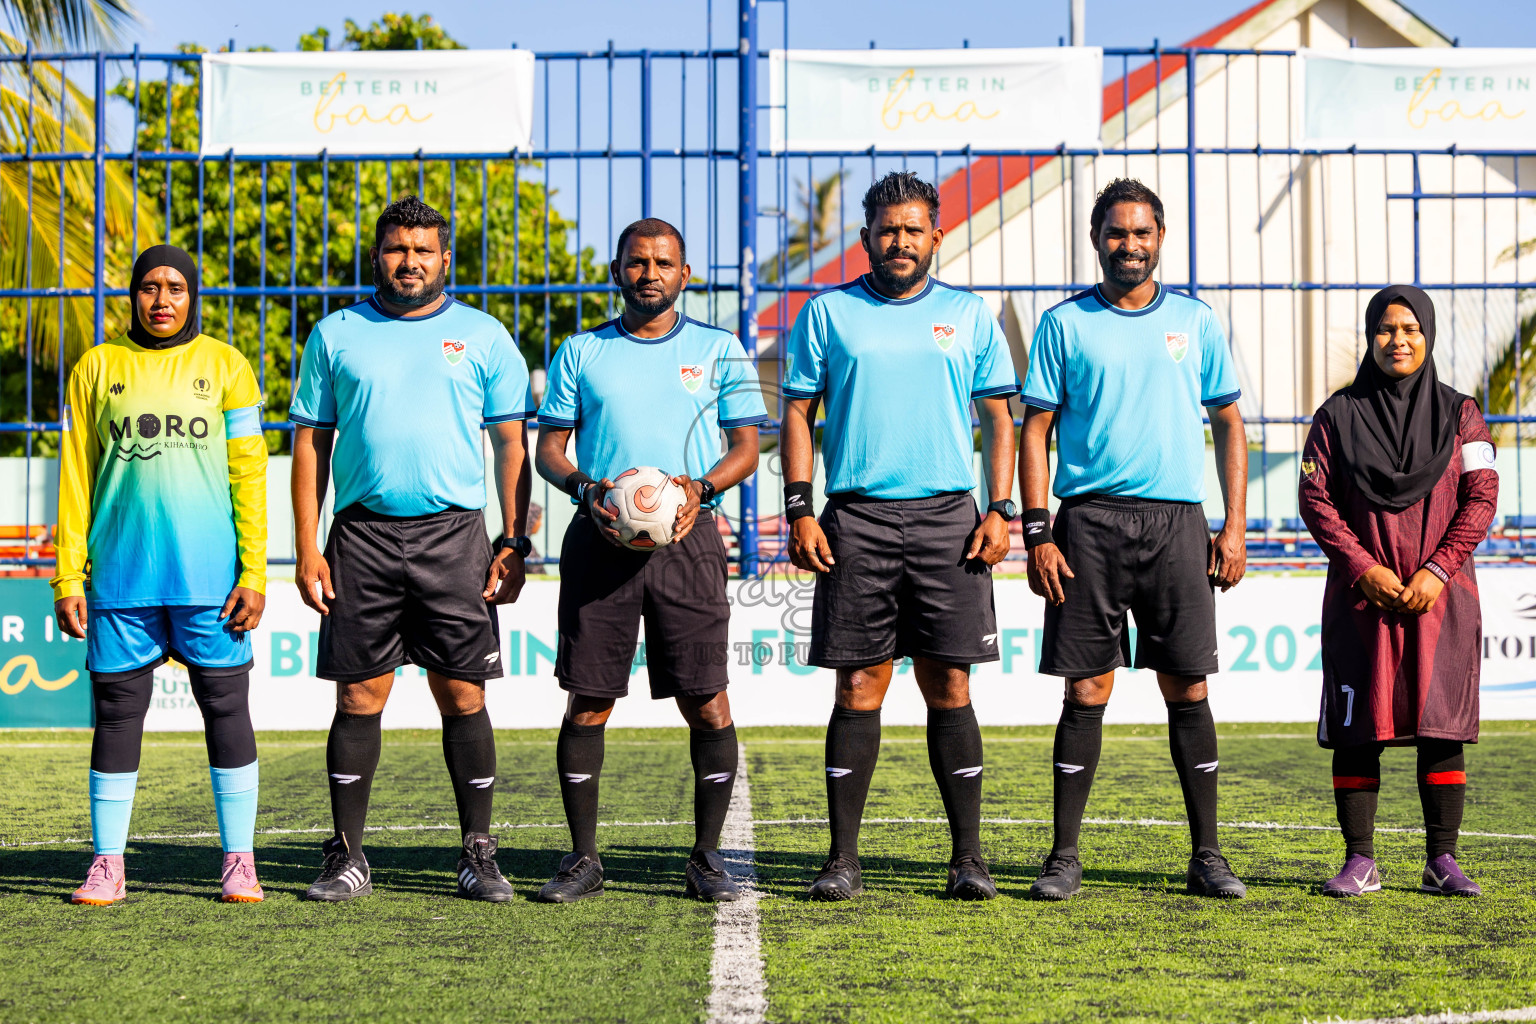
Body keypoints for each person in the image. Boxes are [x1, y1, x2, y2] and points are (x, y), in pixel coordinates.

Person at [781, 171, 1020, 902]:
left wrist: (1000, 508)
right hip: (857, 518)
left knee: (949, 682)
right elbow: (796, 412)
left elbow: (1000, 417)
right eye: (888, 231)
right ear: (866, 239)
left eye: (914, 230)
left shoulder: (970, 315)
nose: (901, 242)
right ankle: (842, 860)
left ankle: (968, 859)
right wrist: (799, 507)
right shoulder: (828, 313)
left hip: (951, 519)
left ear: (936, 237)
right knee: (858, 685)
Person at [289, 196, 536, 903]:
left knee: (460, 691)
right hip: (361, 536)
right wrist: (307, 548)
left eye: (424, 249)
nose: (410, 261)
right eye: (398, 249)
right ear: (379, 255)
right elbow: (310, 445)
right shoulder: (335, 334)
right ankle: (346, 856)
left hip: (455, 536)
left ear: (445, 258)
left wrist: (514, 541)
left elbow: (511, 445)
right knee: (360, 692)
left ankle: (478, 853)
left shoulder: (485, 336)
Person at [1020, 178, 1249, 901]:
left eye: (1142, 232)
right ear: (1096, 241)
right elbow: (1035, 431)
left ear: (1159, 238)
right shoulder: (1064, 324)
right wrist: (1037, 531)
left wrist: (1233, 524)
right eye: (1116, 233)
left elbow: (1229, 422)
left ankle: (1207, 855)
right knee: (1087, 687)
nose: (1130, 245)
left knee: (1188, 684)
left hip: (1177, 523)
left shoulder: (1196, 320)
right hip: (1086, 524)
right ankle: (1063, 857)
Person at [533, 218, 768, 903]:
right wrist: (589, 489)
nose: (649, 274)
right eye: (637, 263)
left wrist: (698, 489)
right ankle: (583, 859)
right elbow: (551, 449)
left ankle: (706, 856)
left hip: (690, 537)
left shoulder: (719, 350)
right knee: (590, 700)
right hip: (600, 535)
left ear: (684, 275)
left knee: (707, 700)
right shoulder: (582, 350)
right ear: (617, 271)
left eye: (664, 262)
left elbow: (747, 449)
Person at [54, 244, 268, 905]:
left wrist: (255, 569)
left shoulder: (226, 367)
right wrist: (67, 576)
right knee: (117, 716)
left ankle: (239, 862)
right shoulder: (97, 368)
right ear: (133, 297)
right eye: (150, 287)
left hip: (210, 580)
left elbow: (249, 474)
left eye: (176, 286)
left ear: (193, 294)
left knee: (226, 709)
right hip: (120, 578)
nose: (163, 299)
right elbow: (76, 476)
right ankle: (108, 865)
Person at [1298, 285, 1496, 899]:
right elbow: (1314, 497)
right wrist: (1363, 568)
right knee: (1361, 727)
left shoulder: (1462, 415)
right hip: (1364, 601)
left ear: (1428, 336)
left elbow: (1483, 497)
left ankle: (1443, 860)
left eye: (1411, 328)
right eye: (1385, 330)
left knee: (1441, 726)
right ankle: (1360, 861)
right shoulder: (1335, 417)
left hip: (1441, 598)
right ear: (1370, 338)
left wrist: (1437, 570)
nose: (1398, 340)